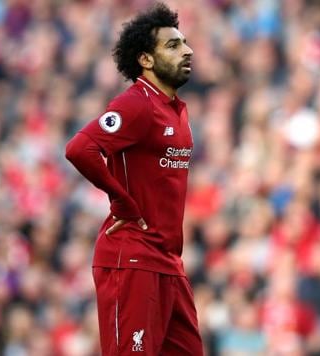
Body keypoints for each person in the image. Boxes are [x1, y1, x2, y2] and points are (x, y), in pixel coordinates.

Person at [65, 3, 202, 355]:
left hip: (168, 261)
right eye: (173, 45)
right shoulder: (137, 104)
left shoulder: (176, 110)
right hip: (132, 258)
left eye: (185, 42)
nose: (187, 50)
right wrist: (121, 200)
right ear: (146, 59)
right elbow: (80, 148)